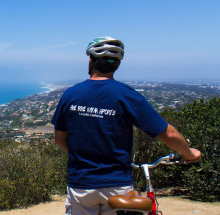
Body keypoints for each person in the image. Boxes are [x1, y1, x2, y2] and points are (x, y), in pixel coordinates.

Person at [51, 36, 201, 215]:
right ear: (117, 65)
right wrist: (189, 153)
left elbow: (60, 139)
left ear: (90, 61)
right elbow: (168, 134)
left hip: (81, 185)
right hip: (117, 185)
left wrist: (83, 156)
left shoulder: (70, 95)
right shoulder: (127, 95)